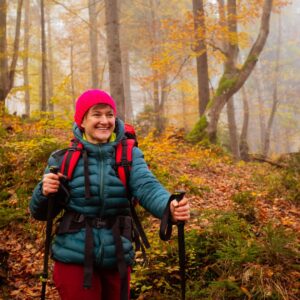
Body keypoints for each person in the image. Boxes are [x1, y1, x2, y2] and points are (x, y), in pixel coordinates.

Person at [30, 89, 190, 300]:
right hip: (74, 258)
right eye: (96, 114)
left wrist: (169, 207)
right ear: (82, 121)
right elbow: (40, 212)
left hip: (118, 257)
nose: (104, 121)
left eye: (109, 114)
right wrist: (43, 191)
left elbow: (146, 186)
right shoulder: (62, 159)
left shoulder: (129, 154)